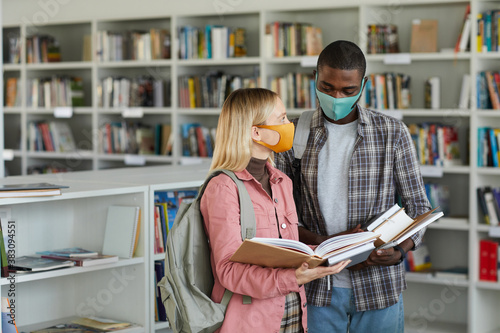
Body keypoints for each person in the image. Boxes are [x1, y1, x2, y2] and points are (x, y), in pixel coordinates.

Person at [274, 40, 432, 332]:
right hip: (316, 287)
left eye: (348, 91)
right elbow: (279, 217)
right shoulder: (292, 134)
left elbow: (419, 208)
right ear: (314, 78)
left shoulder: (392, 133)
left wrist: (401, 250)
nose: (336, 97)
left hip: (379, 287)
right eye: (327, 87)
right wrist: (329, 247)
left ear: (363, 84)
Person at [200, 88, 350, 333]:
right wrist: (294, 278)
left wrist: (326, 251)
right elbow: (227, 270)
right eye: (280, 119)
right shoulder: (223, 188)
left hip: (293, 316)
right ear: (256, 132)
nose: (289, 125)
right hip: (250, 322)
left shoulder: (282, 182)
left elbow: (287, 251)